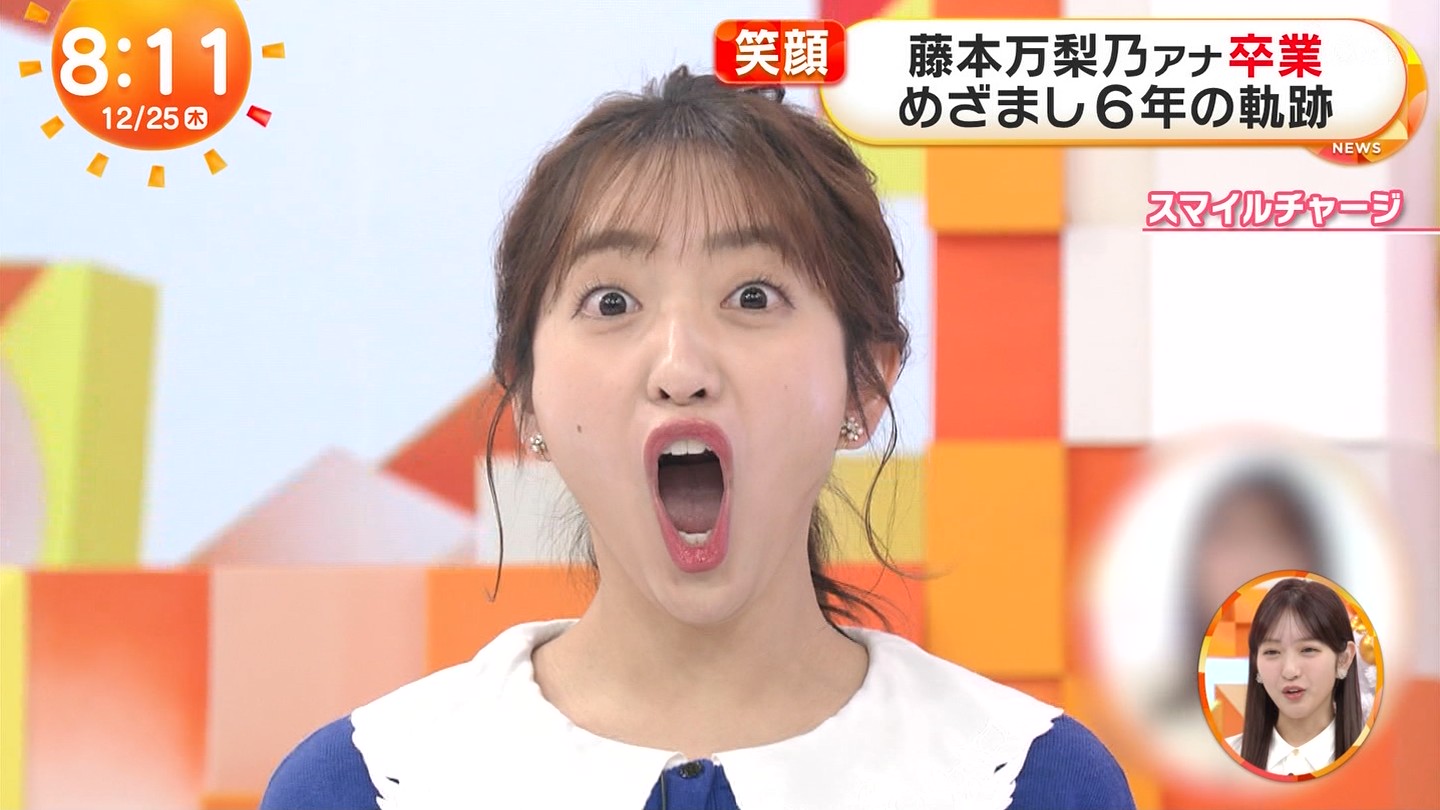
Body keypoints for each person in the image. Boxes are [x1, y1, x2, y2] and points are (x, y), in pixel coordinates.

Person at [259, 67, 1135, 809]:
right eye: (612, 302)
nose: (680, 367)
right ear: (525, 399)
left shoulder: (1027, 780)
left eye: (753, 296)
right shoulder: (368, 785)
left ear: (865, 384)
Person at [1224, 578, 1363, 776]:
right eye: (1272, 652)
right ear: (1256, 663)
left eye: (1308, 649)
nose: (1290, 671)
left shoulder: (1376, 761)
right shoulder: (1222, 762)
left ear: (1344, 659)